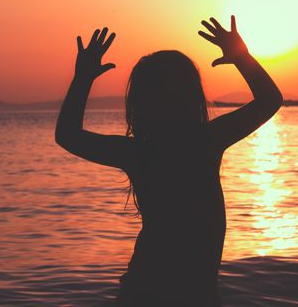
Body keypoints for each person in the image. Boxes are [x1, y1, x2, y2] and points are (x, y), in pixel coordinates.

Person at [55, 16, 283, 306]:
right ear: (192, 96)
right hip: (178, 291)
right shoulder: (205, 142)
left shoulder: (140, 152)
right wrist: (241, 57)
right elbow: (270, 100)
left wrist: (83, 79)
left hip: (147, 290)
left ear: (139, 103)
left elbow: (67, 135)